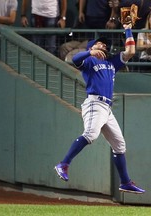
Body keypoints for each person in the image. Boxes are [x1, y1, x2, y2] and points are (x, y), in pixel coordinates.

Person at [54, 23, 145, 194]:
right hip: (95, 103)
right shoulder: (89, 60)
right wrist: (90, 52)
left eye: (105, 45)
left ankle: (125, 182)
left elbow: (131, 51)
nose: (103, 45)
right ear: (91, 46)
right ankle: (63, 164)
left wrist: (127, 29)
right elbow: (74, 60)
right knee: (90, 135)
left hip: (107, 107)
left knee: (119, 145)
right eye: (99, 43)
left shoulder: (112, 62)